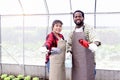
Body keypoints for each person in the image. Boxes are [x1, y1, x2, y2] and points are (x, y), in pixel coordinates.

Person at [67, 10, 101, 80]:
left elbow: (95, 38)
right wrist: (68, 52)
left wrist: (94, 44)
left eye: (79, 16)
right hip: (77, 63)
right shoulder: (71, 33)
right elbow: (69, 45)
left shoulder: (89, 29)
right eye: (75, 17)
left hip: (88, 62)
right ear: (73, 18)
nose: (77, 18)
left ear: (83, 18)